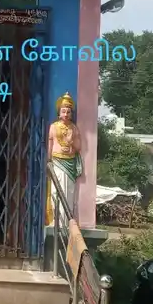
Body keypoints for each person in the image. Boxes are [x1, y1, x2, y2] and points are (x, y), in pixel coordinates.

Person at [47, 92, 83, 223]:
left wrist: (71, 141)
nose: (66, 114)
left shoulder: (74, 128)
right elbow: (50, 144)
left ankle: (67, 221)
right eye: (63, 111)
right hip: (56, 161)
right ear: (59, 112)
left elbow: (79, 147)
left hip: (69, 163)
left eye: (68, 112)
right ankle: (56, 220)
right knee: (57, 191)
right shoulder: (53, 127)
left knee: (69, 192)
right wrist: (48, 160)